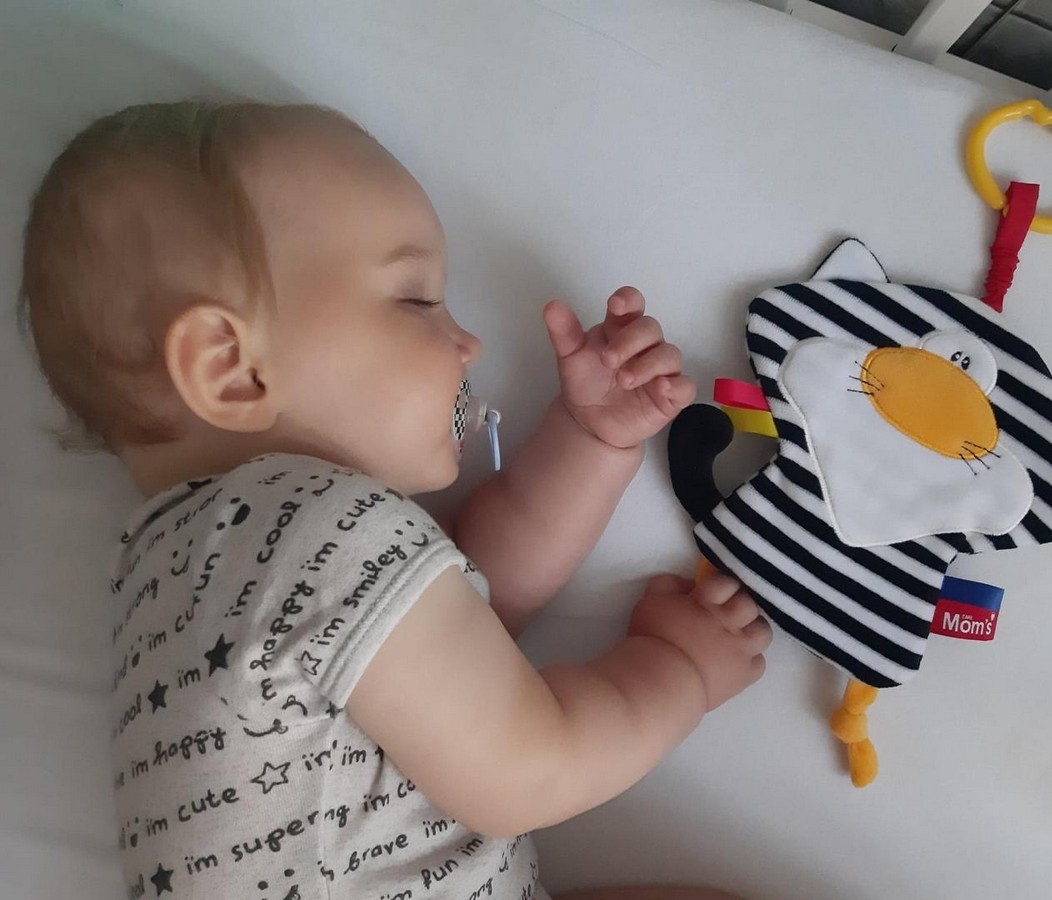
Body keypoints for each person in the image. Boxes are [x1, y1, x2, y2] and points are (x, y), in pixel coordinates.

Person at [19, 101, 772, 900]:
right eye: (415, 300)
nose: (469, 343)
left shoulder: (178, 565)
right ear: (230, 369)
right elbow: (526, 770)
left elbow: (472, 621)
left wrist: (588, 440)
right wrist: (678, 669)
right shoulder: (304, 527)